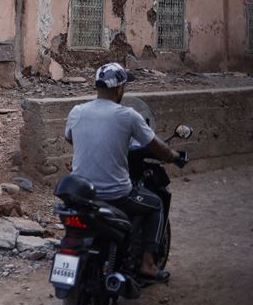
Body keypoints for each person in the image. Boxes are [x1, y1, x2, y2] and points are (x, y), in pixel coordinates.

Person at [64, 62, 182, 282]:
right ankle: (147, 264)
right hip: (116, 195)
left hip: (82, 194)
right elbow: (157, 148)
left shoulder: (76, 111)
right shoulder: (128, 115)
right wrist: (174, 156)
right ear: (119, 89)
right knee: (155, 203)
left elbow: (70, 138)